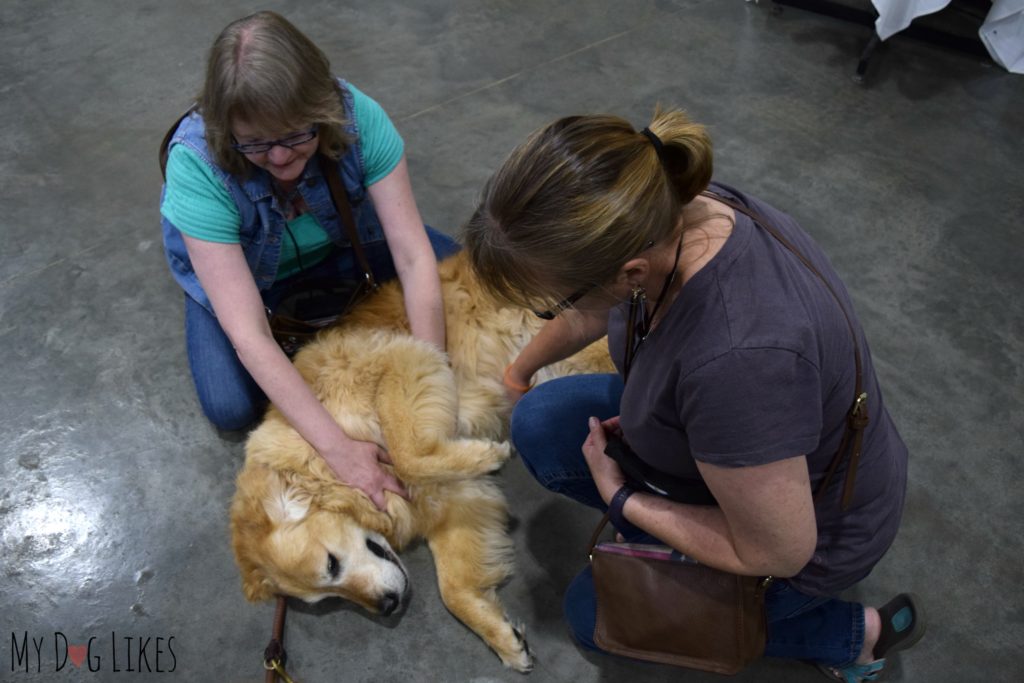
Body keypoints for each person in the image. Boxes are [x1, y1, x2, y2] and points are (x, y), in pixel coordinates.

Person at [463, 110, 925, 681]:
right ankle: (685, 554)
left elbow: (779, 551)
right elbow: (594, 307)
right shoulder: (672, 205)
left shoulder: (739, 360)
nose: (554, 314)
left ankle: (847, 636)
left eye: (553, 301)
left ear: (629, 273)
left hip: (809, 533)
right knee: (539, 419)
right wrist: (518, 373)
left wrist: (624, 500)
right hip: (740, 458)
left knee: (594, 615)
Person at [159, 11, 460, 510]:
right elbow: (249, 332)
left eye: (296, 135)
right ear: (225, 127)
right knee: (230, 406)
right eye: (254, 143)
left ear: (321, 110)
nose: (278, 158)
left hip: (347, 247)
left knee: (465, 277)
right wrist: (340, 450)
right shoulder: (196, 165)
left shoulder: (357, 115)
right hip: (255, 279)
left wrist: (431, 383)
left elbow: (410, 255)